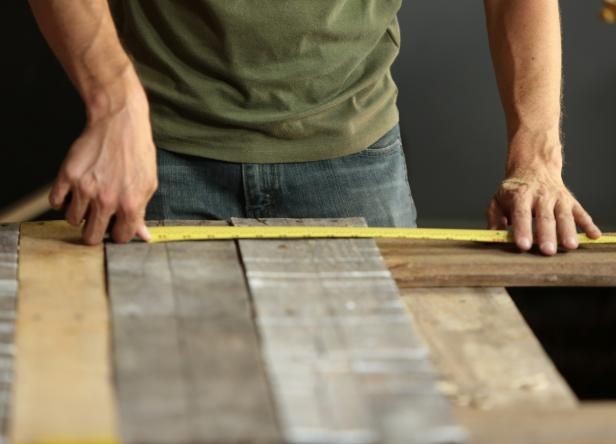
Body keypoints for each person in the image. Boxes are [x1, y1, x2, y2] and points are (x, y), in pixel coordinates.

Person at [28, 0, 601, 256]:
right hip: (156, 162)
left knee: (386, 421)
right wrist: (114, 107)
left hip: (355, 162)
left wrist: (537, 163)